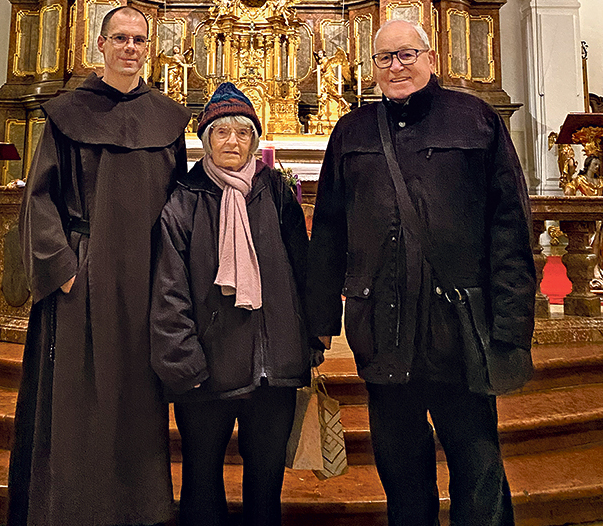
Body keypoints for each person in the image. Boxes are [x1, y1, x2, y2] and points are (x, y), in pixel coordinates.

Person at [306, 19, 535, 526]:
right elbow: (329, 231)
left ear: (430, 57)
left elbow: (510, 226)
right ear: (372, 67)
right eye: (385, 58)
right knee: (402, 470)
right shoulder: (352, 131)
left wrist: (513, 324)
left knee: (477, 464)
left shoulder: (475, 119)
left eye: (406, 54)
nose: (396, 67)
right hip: (382, 328)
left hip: (460, 329)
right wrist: (318, 321)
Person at [7, 6, 191, 525]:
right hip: (85, 277)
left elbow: (180, 200)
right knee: (79, 398)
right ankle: (73, 509)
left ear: (148, 48)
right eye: (121, 38)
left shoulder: (167, 117)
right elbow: (39, 199)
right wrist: (64, 269)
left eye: (139, 40)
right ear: (102, 45)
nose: (130, 47)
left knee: (138, 400)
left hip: (150, 277)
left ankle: (139, 509)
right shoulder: (69, 113)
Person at [150, 82, 320, 526]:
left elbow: (302, 270)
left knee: (265, 485)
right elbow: (169, 289)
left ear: (254, 141)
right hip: (207, 370)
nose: (232, 141)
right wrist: (184, 362)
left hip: (274, 371)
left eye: (243, 133)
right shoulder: (184, 201)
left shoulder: (276, 192)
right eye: (221, 132)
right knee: (202, 484)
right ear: (207, 140)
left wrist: (309, 340)